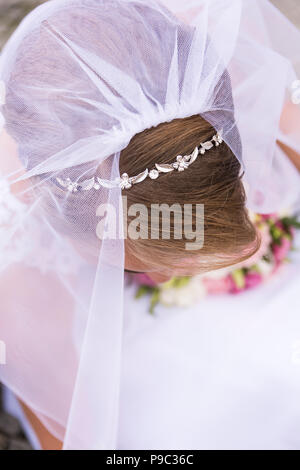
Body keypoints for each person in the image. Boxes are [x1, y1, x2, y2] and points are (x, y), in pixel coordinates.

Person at [1, 0, 300, 450]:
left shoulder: (206, 69)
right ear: (76, 224)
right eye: (133, 259)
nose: (162, 275)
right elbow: (65, 430)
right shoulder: (14, 250)